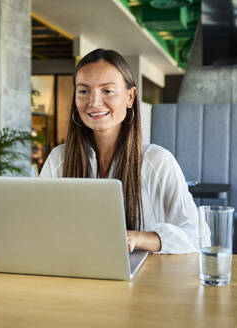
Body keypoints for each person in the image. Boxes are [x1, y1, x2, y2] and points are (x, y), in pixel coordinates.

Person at [40, 49, 210, 254]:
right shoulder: (59, 159)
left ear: (130, 97)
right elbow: (38, 226)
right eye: (83, 91)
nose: (94, 102)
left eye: (107, 91)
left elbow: (199, 237)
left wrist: (140, 238)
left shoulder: (157, 161)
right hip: (73, 275)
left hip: (143, 281)